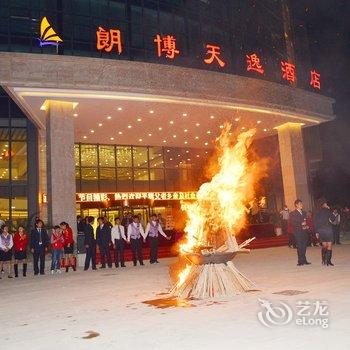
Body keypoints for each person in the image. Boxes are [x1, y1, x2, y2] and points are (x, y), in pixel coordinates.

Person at [314, 198, 336, 266]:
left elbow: (315, 223)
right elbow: (333, 218)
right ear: (324, 204)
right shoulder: (328, 210)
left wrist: (316, 232)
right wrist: (329, 209)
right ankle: (328, 261)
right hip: (328, 230)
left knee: (324, 246)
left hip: (321, 230)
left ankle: (324, 260)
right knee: (329, 246)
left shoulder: (317, 212)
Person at [289, 199, 311, 266]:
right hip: (298, 232)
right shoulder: (293, 213)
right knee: (299, 247)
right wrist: (301, 223)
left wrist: (307, 226)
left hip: (304, 232)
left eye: (302, 204)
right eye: (300, 204)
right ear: (296, 205)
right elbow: (293, 223)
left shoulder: (304, 212)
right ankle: (300, 261)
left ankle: (304, 260)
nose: (302, 205)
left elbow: (305, 221)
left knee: (304, 246)